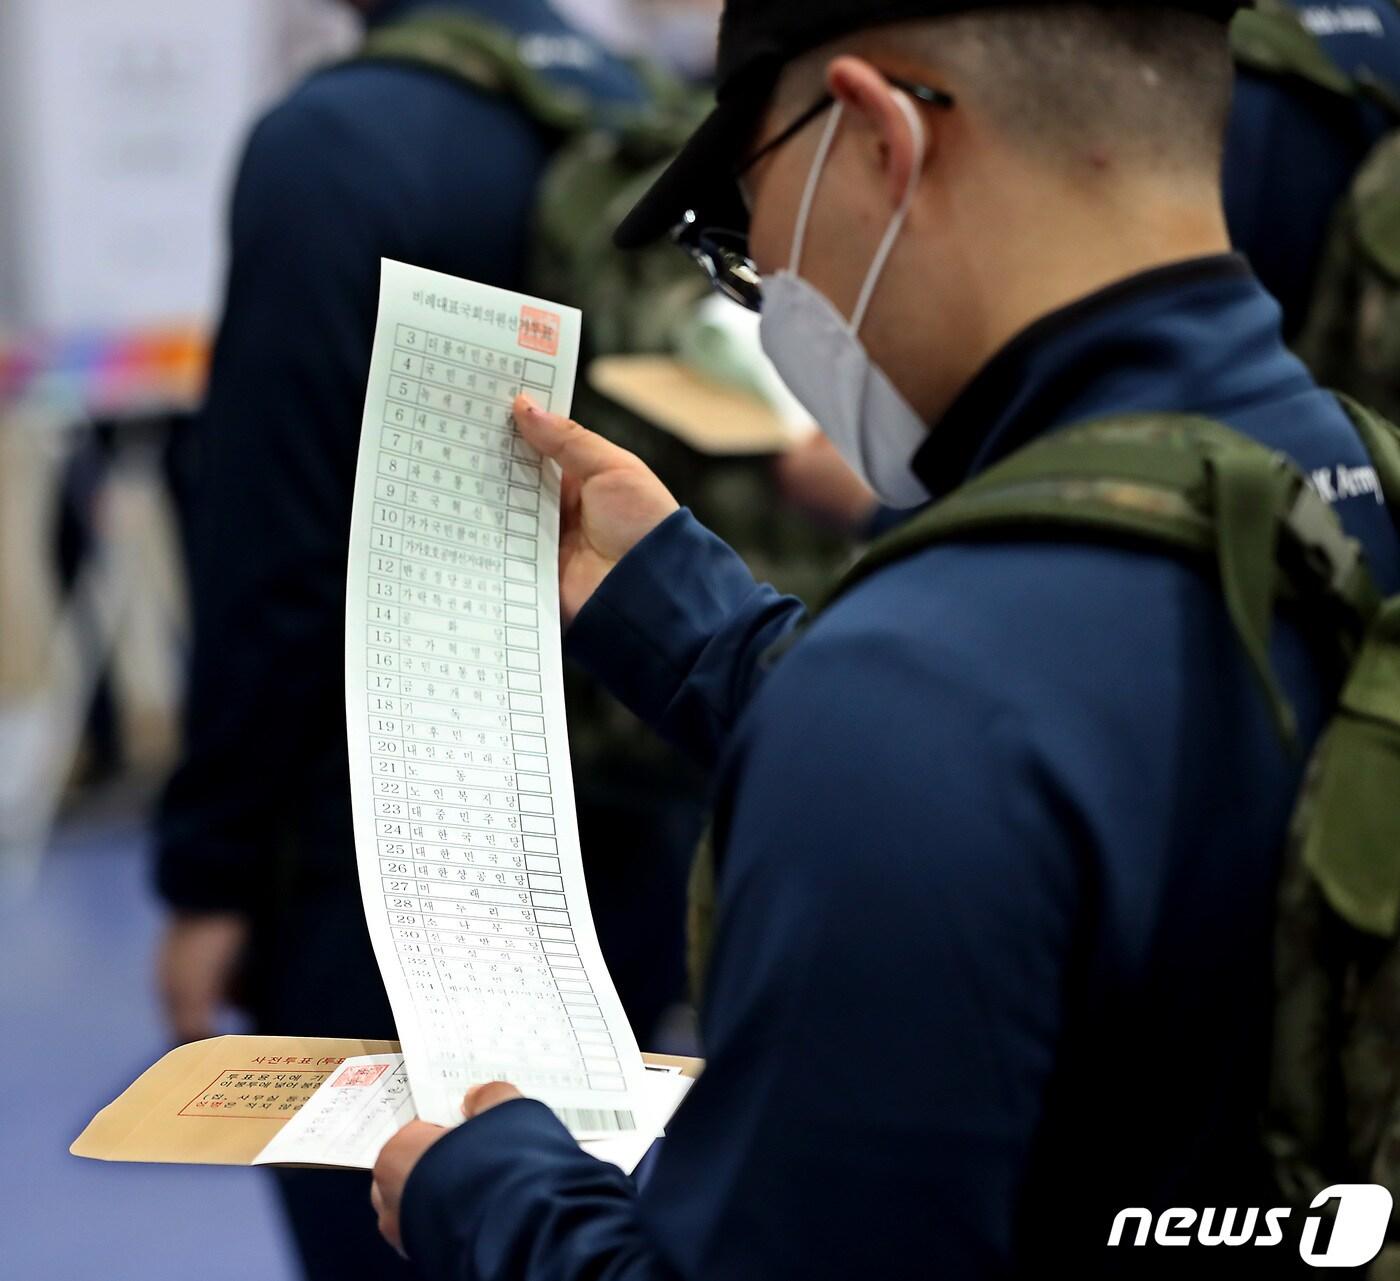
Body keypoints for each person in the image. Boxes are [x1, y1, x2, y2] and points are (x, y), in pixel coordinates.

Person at [367, 0, 1400, 1277]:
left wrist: (493, 1194)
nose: (768, 290)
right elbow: (1120, 784)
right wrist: (689, 621)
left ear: (873, 138)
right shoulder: (1340, 480)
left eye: (750, 228)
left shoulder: (916, 694)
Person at [152, 2, 648, 1277]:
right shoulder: (638, 110)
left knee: (407, 1226)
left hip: (382, 860)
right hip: (647, 796)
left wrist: (209, 871)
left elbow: (273, 546)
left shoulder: (332, 143)